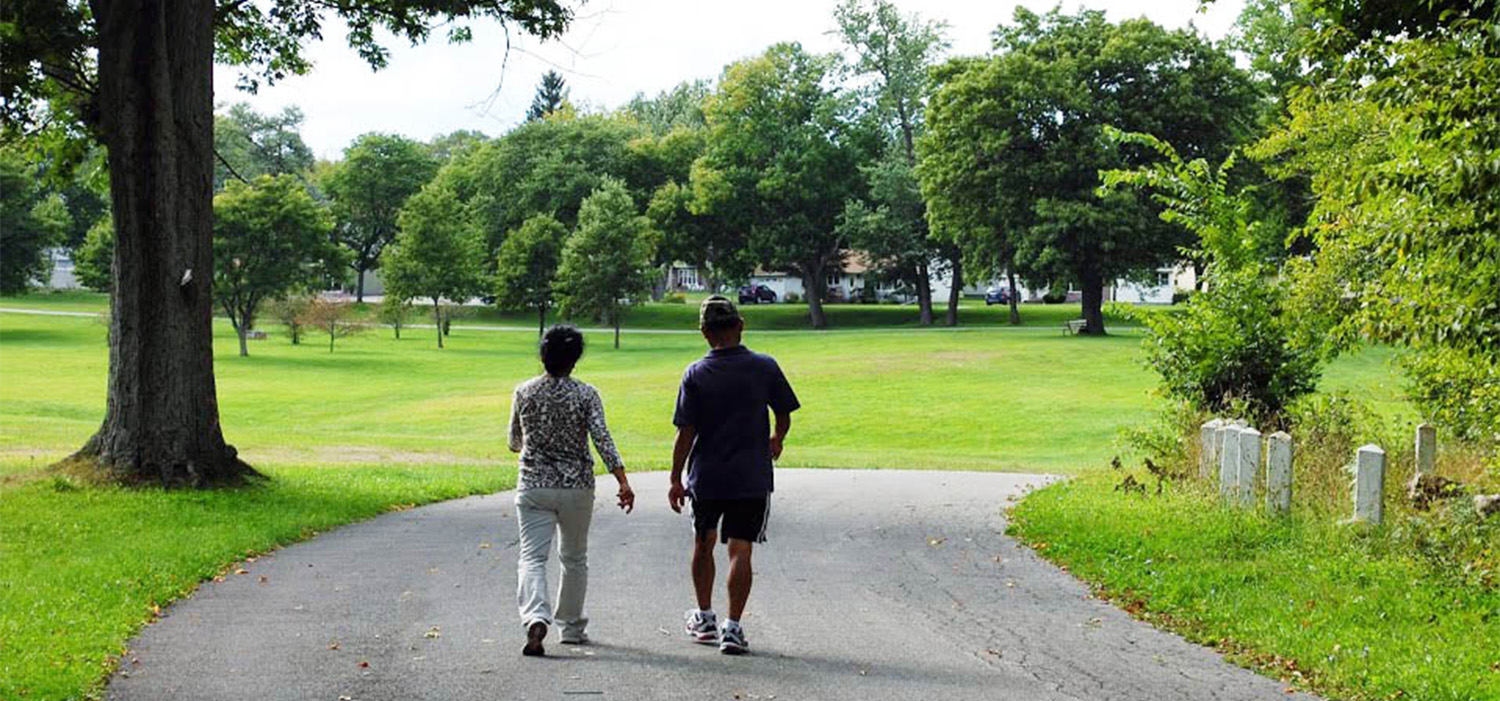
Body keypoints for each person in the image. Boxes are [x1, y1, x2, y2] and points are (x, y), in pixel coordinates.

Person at [669, 295, 800, 655]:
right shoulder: (765, 367)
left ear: (704, 333)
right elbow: (785, 412)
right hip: (750, 476)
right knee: (740, 549)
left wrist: (675, 478)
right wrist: (777, 438)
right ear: (740, 325)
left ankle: (705, 617)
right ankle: (734, 627)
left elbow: (686, 432)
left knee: (703, 543)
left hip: (707, 476)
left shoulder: (695, 373)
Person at [508, 324, 635, 657]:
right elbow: (602, 439)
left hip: (534, 485)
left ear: (543, 355)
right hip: (577, 486)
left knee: (532, 557)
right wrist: (622, 480)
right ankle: (571, 628)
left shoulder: (524, 392)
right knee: (574, 557)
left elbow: (514, 442)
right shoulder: (586, 394)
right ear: (575, 359)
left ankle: (536, 617)